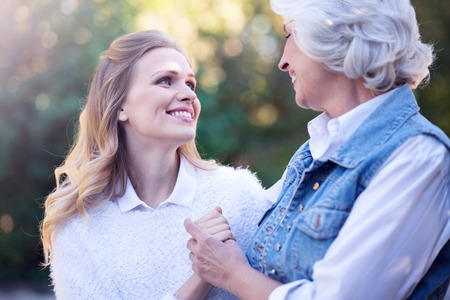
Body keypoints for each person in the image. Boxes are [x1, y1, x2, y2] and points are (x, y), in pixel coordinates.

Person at [185, 0, 450, 299]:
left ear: (338, 37)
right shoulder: (316, 149)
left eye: (289, 36)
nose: (282, 62)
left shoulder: (418, 156)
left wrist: (232, 274)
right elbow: (237, 219)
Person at [40, 30, 270, 299]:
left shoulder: (239, 195)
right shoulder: (78, 225)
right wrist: (200, 278)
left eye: (190, 84)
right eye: (165, 81)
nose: (188, 95)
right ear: (120, 107)